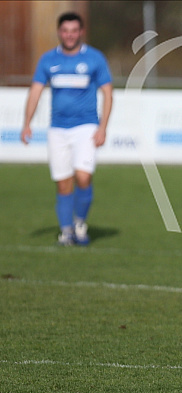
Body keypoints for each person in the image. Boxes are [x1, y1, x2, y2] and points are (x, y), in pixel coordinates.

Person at [21, 11, 113, 246]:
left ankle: (80, 223)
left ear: (80, 32)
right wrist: (27, 123)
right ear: (59, 32)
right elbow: (35, 91)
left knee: (83, 177)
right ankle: (66, 231)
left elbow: (108, 92)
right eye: (65, 31)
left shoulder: (94, 58)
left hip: (86, 127)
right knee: (63, 182)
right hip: (57, 129)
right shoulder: (48, 60)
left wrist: (103, 127)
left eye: (74, 31)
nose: (69, 35)